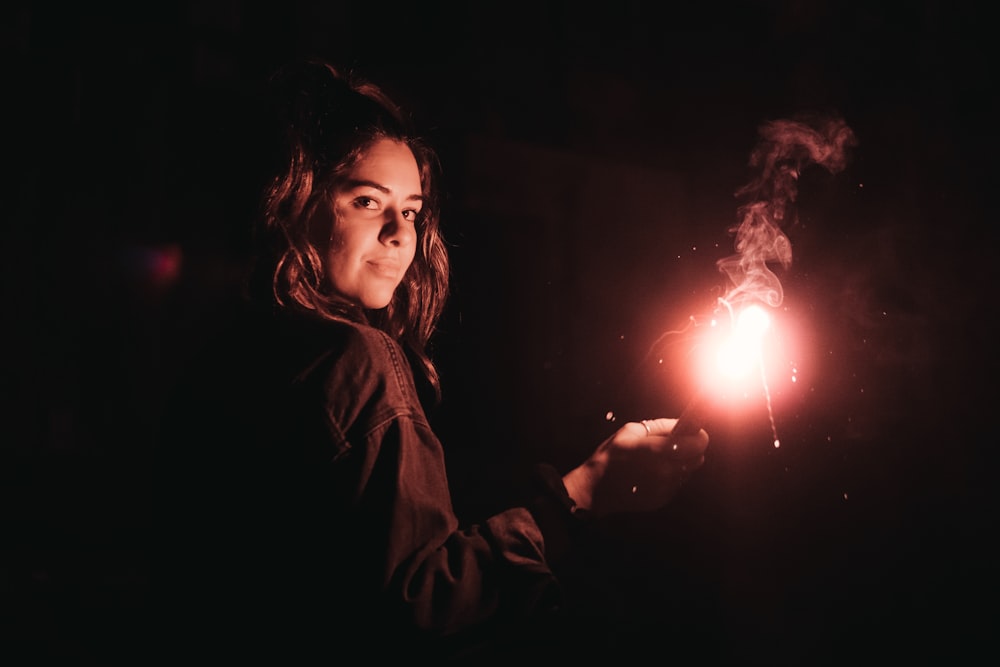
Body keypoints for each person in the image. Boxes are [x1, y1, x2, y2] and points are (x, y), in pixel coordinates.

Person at [147, 58, 709, 663]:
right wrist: (581, 495)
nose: (399, 233)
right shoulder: (355, 361)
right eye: (367, 201)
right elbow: (423, 608)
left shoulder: (229, 352)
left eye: (411, 211)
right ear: (296, 201)